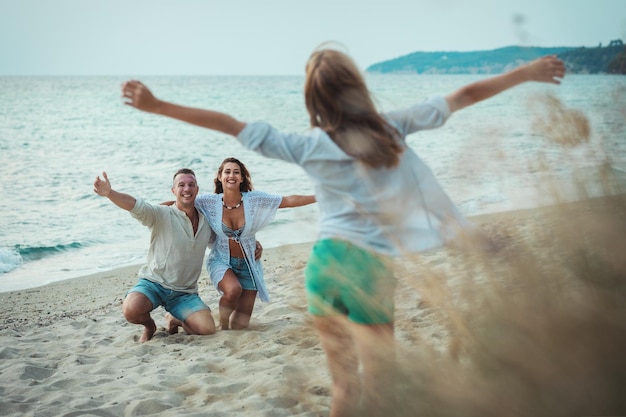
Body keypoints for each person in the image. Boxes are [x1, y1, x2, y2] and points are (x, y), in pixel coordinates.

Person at [120, 46, 565, 415]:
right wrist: (527, 72)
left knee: (344, 391)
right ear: (357, 87)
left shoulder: (308, 144)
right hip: (368, 266)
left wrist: (157, 106)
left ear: (312, 99)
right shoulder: (393, 127)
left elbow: (230, 124)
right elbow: (464, 94)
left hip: (325, 266)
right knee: (380, 385)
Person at [93, 168, 217, 342]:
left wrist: (251, 244)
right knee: (131, 309)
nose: (187, 189)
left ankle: (174, 319)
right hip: (154, 284)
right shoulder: (161, 214)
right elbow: (135, 205)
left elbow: (227, 238)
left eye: (191, 185)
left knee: (207, 328)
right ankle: (150, 326)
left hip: (185, 293)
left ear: (197, 190)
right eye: (181, 185)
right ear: (173, 190)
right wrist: (109, 193)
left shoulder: (207, 221)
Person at [196, 157, 315, 330]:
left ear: (242, 178)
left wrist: (320, 197)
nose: (231, 175)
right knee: (233, 290)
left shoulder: (254, 200)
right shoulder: (209, 202)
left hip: (248, 264)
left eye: (236, 172)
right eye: (227, 172)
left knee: (241, 326)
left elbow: (288, 201)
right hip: (221, 261)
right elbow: (182, 203)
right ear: (220, 177)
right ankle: (223, 324)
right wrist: (150, 211)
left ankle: (230, 323)